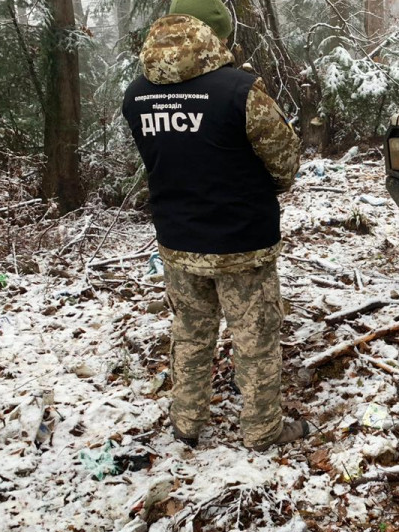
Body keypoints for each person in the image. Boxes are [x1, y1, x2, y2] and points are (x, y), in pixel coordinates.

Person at [121, 0, 305, 451]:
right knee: (256, 339)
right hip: (242, 240)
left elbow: (160, 158)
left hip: (178, 238)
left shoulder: (136, 94)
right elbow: (285, 163)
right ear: (217, 36)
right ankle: (262, 431)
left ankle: (186, 422)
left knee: (189, 334)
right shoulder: (240, 90)